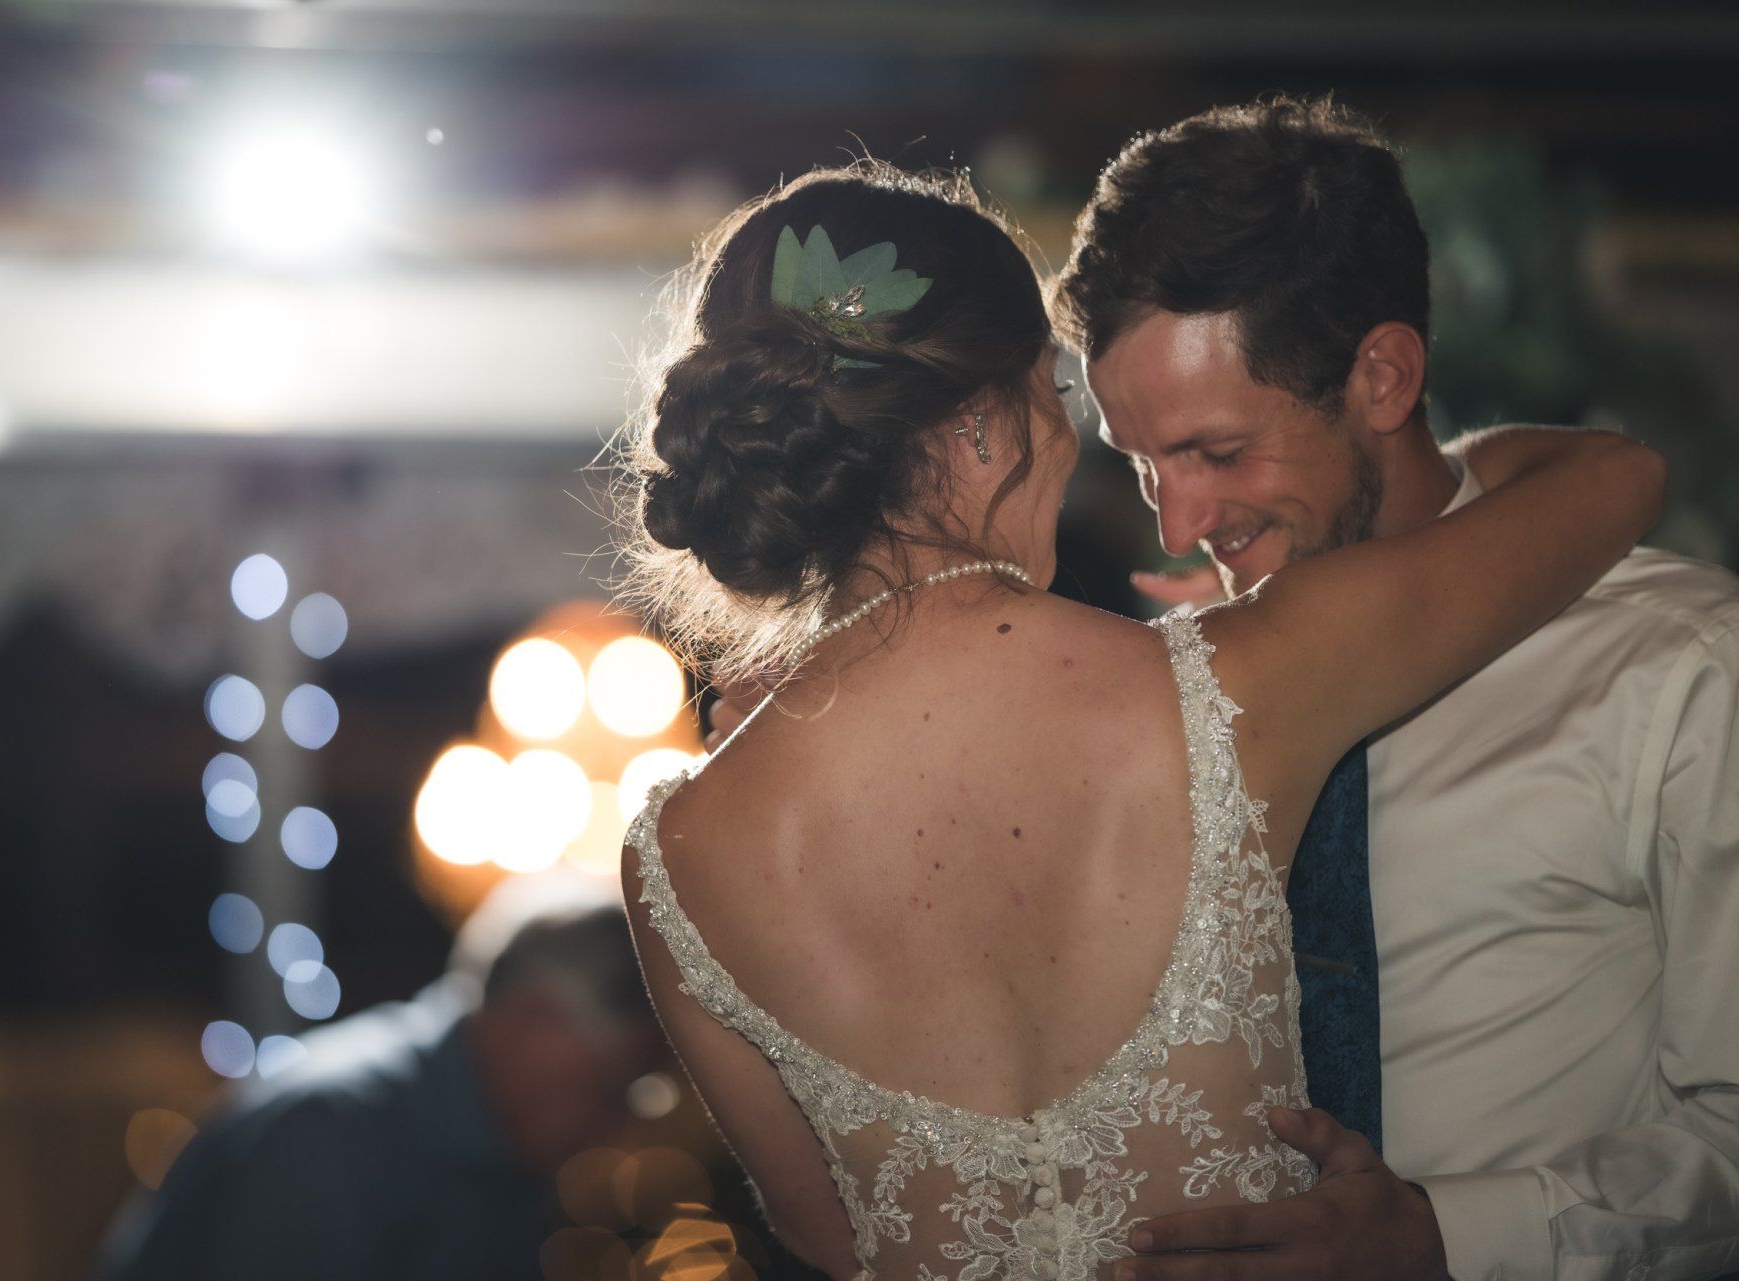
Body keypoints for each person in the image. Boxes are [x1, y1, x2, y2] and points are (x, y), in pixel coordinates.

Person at [609, 159, 1661, 1281]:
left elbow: (828, 1234)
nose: (1068, 449)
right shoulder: (1241, 683)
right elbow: (1615, 479)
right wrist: (1449, 455)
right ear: (978, 425)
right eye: (1056, 398)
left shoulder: (678, 855)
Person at [1049, 97, 1739, 1280]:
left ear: (1382, 375)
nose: (1181, 523)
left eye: (1216, 452)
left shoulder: (1677, 665)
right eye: (1142, 463)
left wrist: (1452, 1237)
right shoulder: (1179, 685)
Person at [98, 882, 666, 1281]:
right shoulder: (331, 1134)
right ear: (539, 1026)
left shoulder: (481, 1141)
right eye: (617, 1088)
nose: (619, 1130)